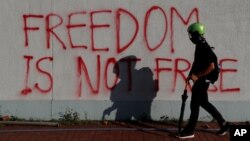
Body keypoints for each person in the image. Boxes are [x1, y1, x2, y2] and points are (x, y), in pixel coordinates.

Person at [177, 22, 229, 139]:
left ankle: (190, 130)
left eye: (191, 34)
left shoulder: (203, 47)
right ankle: (224, 124)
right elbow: (197, 63)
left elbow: (211, 66)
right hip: (203, 78)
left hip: (204, 79)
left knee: (194, 104)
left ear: (196, 34)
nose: (190, 37)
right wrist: (191, 75)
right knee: (204, 102)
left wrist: (198, 76)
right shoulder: (199, 45)